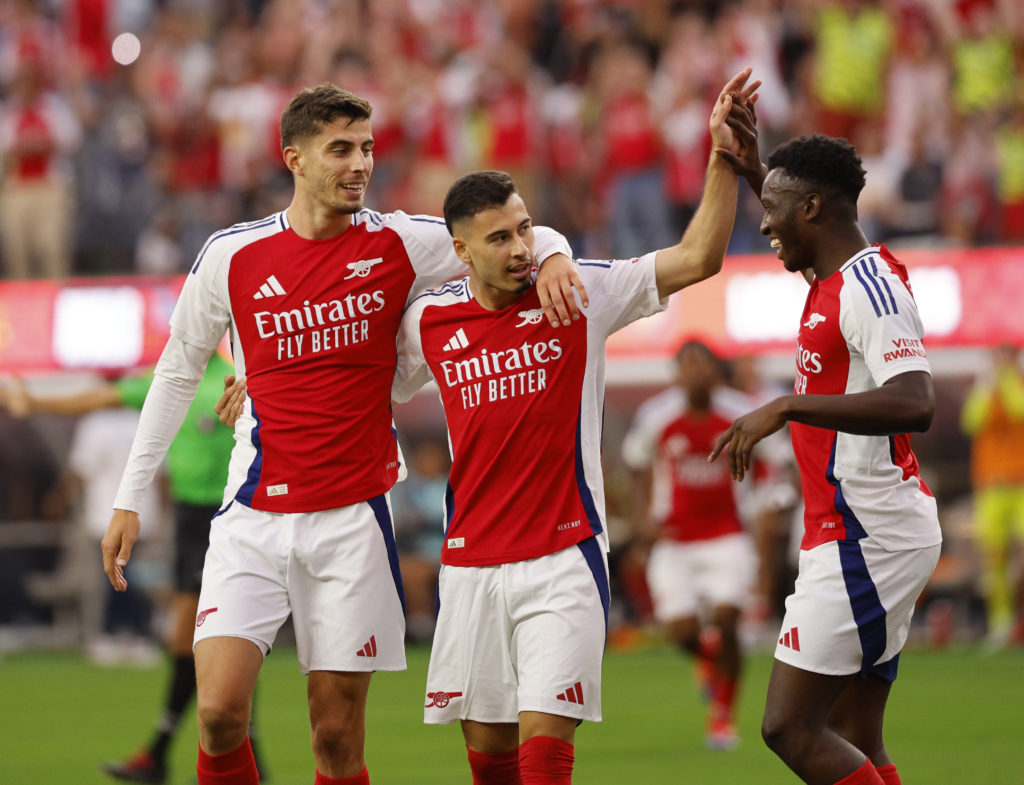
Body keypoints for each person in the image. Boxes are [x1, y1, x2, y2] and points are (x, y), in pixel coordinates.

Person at [99, 82, 586, 785]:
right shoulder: (233, 256)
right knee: (219, 712)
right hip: (252, 515)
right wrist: (129, 495)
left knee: (333, 737)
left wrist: (559, 255)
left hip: (353, 519)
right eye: (341, 150)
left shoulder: (400, 242)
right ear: (294, 158)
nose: (359, 164)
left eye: (366, 148)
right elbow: (176, 372)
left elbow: (504, 232)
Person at [387, 68, 758, 783]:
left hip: (563, 558)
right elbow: (358, 377)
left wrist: (720, 161)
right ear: (460, 252)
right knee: (490, 760)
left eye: (527, 228)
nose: (523, 247)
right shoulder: (428, 321)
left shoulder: (579, 293)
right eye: (500, 238)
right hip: (467, 565)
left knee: (544, 761)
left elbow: (697, 258)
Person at [710, 132, 943, 785]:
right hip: (861, 528)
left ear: (812, 209)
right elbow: (795, 222)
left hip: (865, 534)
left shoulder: (871, 288)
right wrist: (758, 169)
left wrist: (788, 406)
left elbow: (915, 400)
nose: (764, 221)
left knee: (788, 726)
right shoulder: (833, 273)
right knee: (855, 733)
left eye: (776, 206)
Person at [1, 355, 268, 784]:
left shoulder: (235, 379)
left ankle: (166, 754)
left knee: (204, 640)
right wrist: (34, 402)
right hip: (188, 521)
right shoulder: (169, 377)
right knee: (203, 644)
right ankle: (201, 755)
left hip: (225, 516)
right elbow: (100, 397)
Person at [621, 339, 757, 750]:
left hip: (728, 534)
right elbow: (635, 463)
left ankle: (722, 717)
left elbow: (774, 462)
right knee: (680, 631)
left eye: (703, 365)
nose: (695, 373)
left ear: (717, 372)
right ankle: (706, 658)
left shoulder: (739, 413)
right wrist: (643, 518)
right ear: (676, 374)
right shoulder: (657, 415)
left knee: (728, 619)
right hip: (675, 538)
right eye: (687, 365)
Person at [960, 342, 1024, 647]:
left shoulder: (1017, 385)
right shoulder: (983, 390)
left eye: (1006, 356)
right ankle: (1001, 622)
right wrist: (987, 387)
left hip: (1021, 483)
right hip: (990, 485)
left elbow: (1019, 409)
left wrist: (1008, 379)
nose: (1000, 362)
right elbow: (971, 421)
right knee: (994, 557)